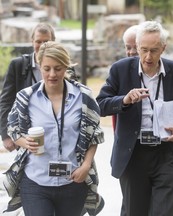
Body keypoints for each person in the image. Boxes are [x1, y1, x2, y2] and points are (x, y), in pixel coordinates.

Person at [96, 21, 173, 216]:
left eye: (154, 50)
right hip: (134, 154)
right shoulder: (120, 70)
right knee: (135, 211)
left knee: (165, 211)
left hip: (166, 152)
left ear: (163, 48)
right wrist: (124, 99)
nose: (148, 57)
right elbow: (100, 105)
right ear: (137, 47)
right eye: (144, 50)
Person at [4, 41, 105, 216]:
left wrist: (86, 166)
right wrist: (25, 142)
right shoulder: (26, 97)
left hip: (73, 181)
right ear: (39, 66)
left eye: (58, 68)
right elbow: (12, 129)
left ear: (66, 66)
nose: (52, 74)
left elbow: (94, 135)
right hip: (35, 181)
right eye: (47, 68)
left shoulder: (83, 97)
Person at [0, 22, 55, 152]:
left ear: (54, 42)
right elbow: (6, 101)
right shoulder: (17, 66)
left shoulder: (64, 67)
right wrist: (5, 135)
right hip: (27, 134)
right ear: (32, 42)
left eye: (46, 42)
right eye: (38, 41)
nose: (42, 46)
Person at [112, 25, 139, 131]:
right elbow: (104, 103)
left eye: (136, 47)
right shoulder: (119, 70)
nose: (132, 52)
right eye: (128, 47)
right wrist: (124, 100)